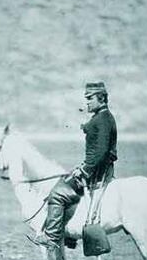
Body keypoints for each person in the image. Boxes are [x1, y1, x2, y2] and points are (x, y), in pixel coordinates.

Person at [29, 82, 117, 249]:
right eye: (87, 98)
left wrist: (84, 170)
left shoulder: (102, 119)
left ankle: (52, 237)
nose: (87, 102)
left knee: (57, 194)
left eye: (90, 98)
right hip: (96, 169)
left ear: (102, 99)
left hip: (97, 172)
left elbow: (100, 152)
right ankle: (69, 236)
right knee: (66, 184)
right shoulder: (102, 117)